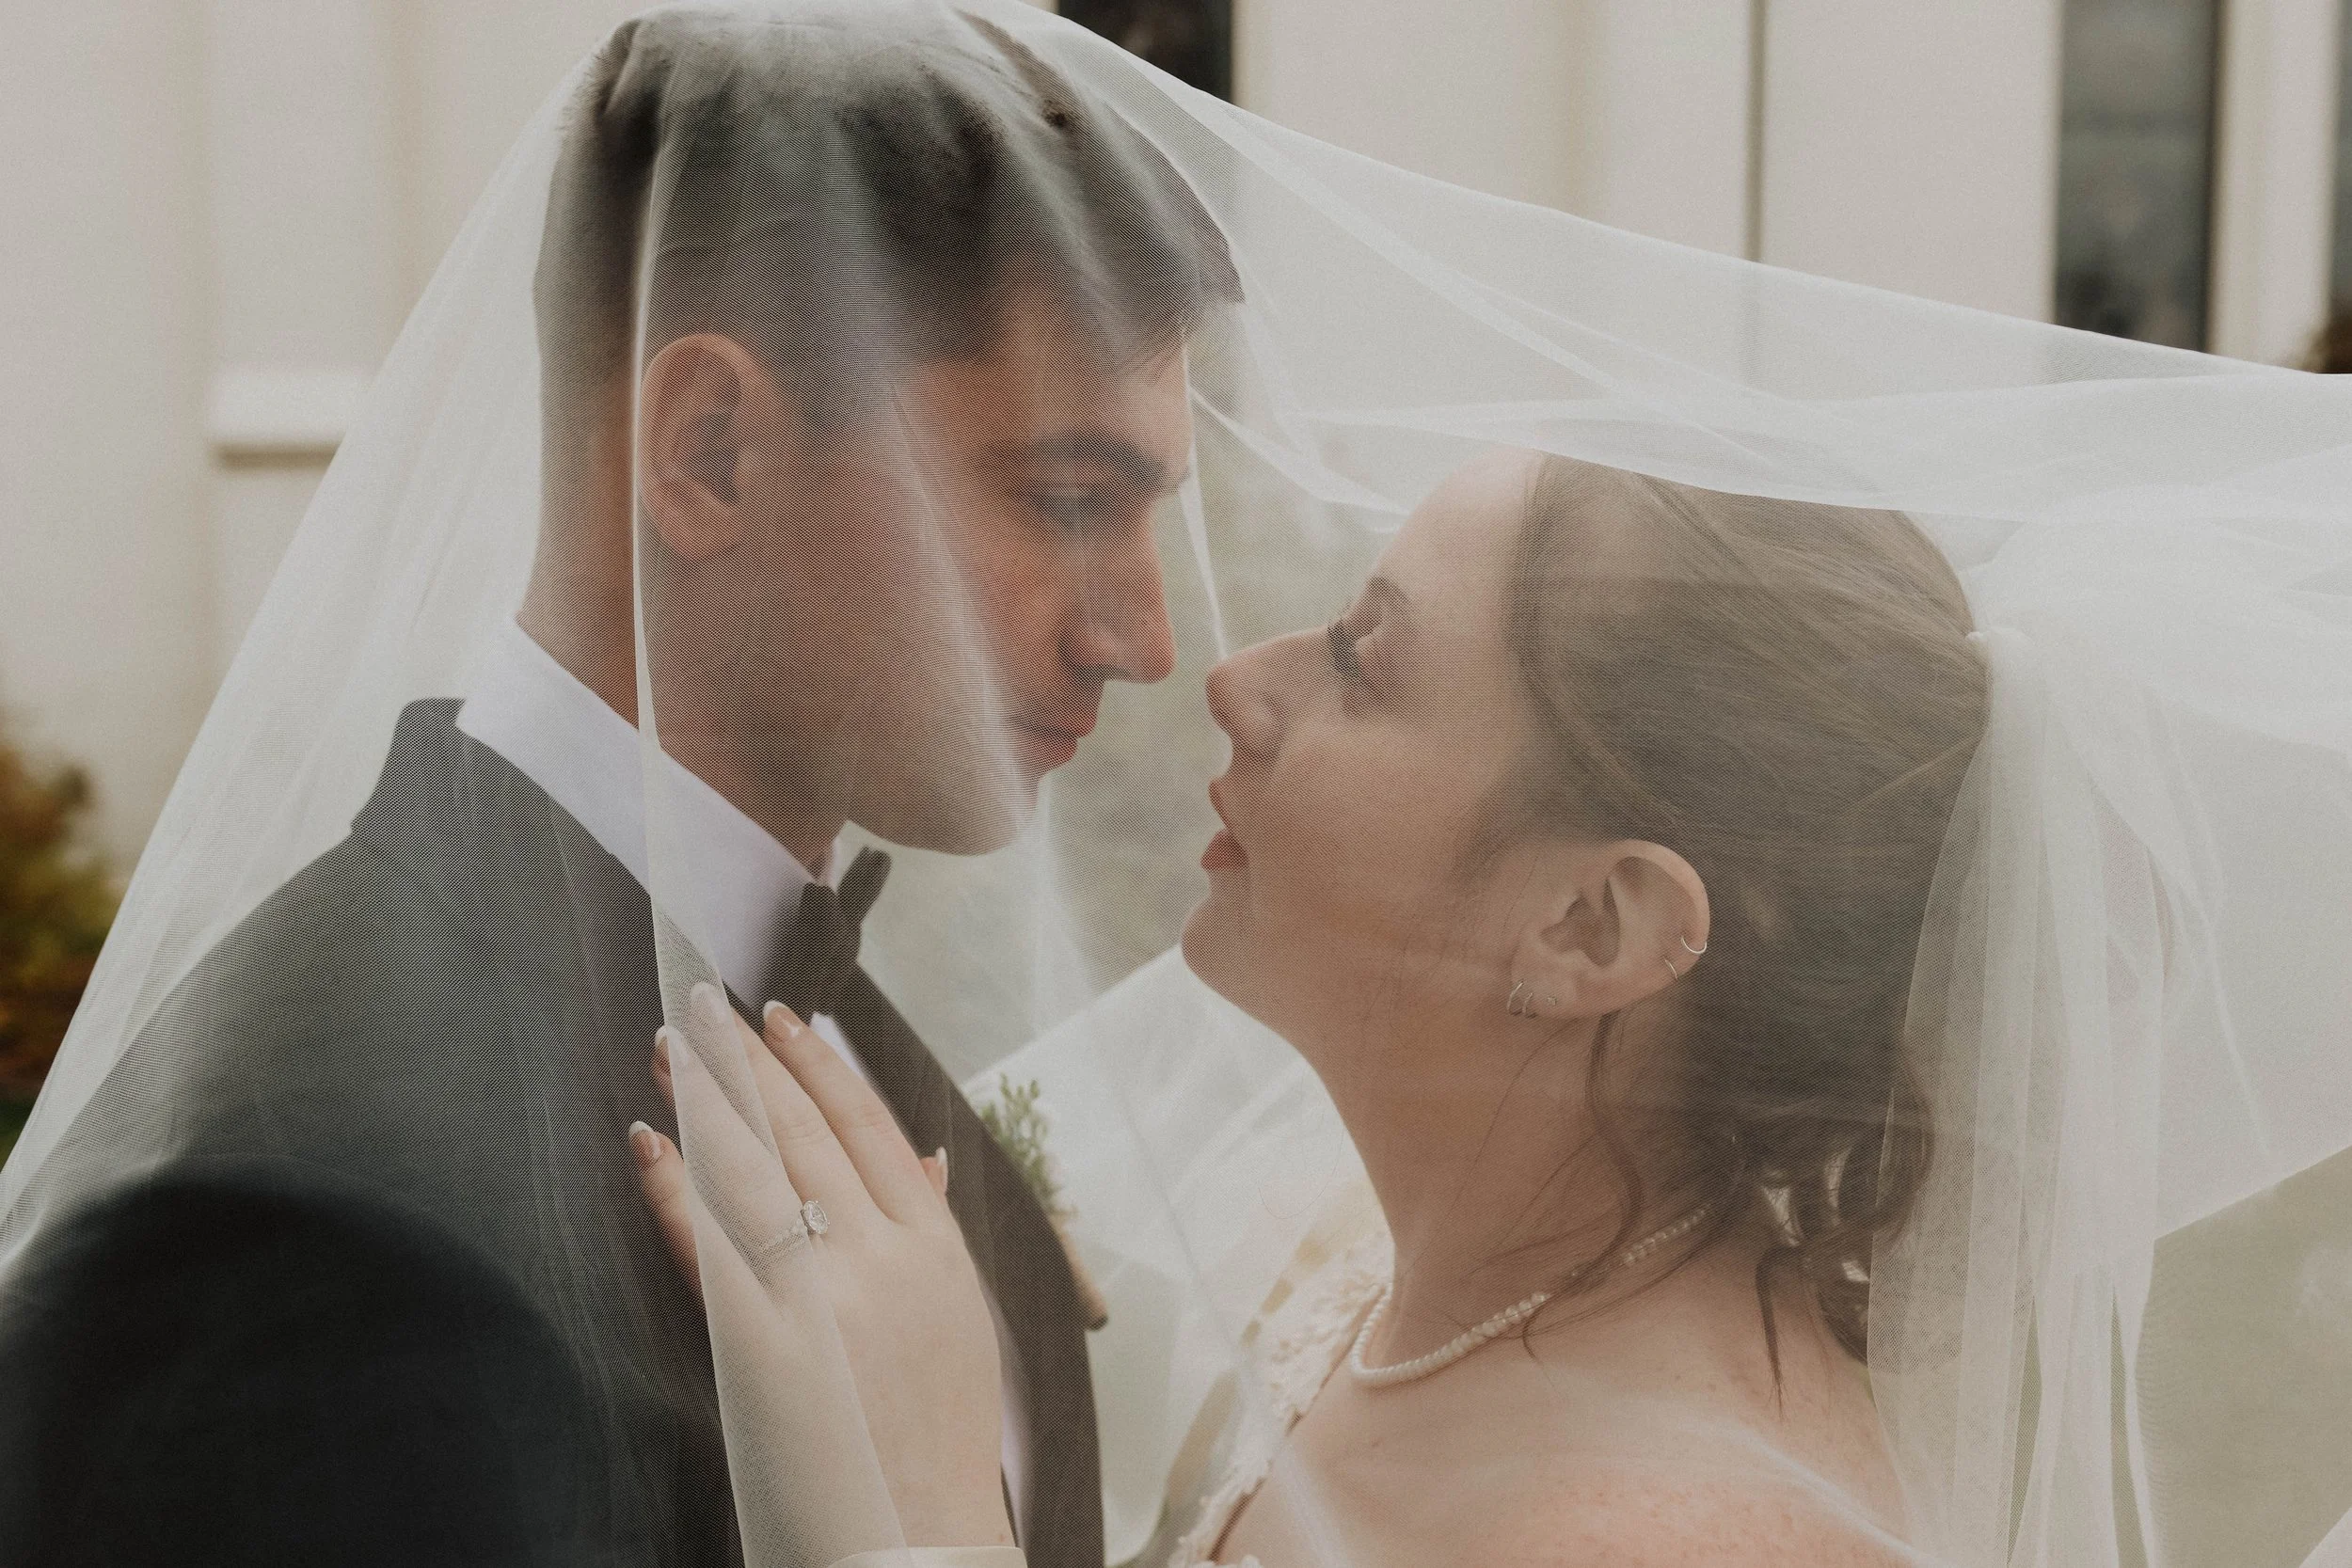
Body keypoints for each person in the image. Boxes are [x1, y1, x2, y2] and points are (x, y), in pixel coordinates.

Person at [0, 9, 1234, 1566]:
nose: (1144, 635)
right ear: (707, 449)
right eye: (1067, 496)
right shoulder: (298, 1213)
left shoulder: (890, 1102)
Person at [636, 446, 1986, 1566]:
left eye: (1361, 660)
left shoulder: (1663, 1535)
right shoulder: (1380, 1267)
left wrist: (922, 1514)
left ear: (1594, 924)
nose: (1236, 685)